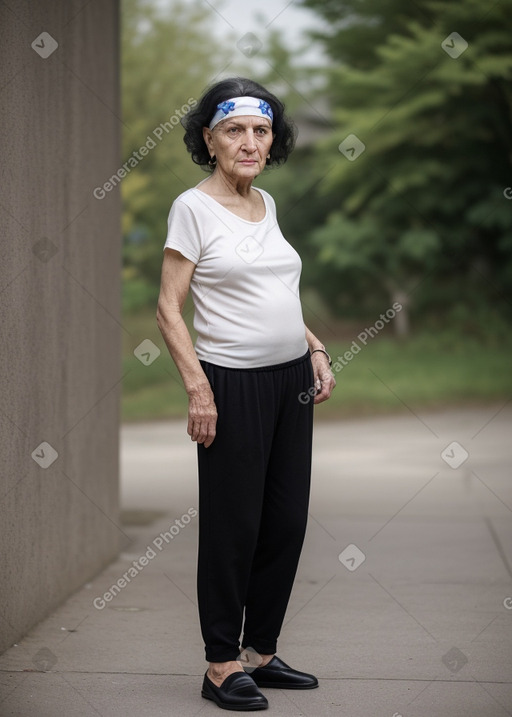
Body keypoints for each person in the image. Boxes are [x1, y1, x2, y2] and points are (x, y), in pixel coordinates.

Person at [156, 77, 336, 711]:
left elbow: (278, 295)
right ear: (209, 139)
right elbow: (167, 308)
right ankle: (219, 663)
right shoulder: (193, 207)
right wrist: (198, 388)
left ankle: (260, 651)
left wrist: (313, 346)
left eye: (261, 131)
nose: (250, 142)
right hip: (230, 384)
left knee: (284, 523)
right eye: (235, 130)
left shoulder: (268, 205)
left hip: (291, 384)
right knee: (234, 526)